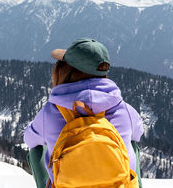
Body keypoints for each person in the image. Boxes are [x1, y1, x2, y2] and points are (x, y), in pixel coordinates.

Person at [24, 38, 144, 187]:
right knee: (132, 143)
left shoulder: (50, 112)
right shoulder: (124, 110)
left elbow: (29, 139)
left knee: (36, 149)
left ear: (64, 70)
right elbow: (138, 134)